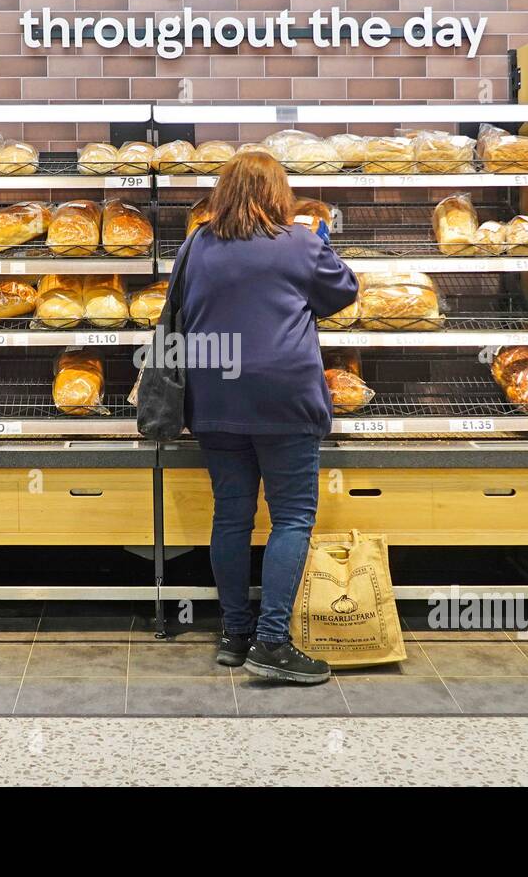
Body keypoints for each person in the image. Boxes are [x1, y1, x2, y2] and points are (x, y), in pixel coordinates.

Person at [169, 151, 358, 684]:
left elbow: (184, 305)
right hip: (284, 399)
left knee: (231, 514)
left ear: (223, 193)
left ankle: (234, 634)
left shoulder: (195, 245)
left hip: (214, 399)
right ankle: (272, 642)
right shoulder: (299, 243)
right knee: (292, 516)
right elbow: (343, 294)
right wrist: (320, 239)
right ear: (280, 195)